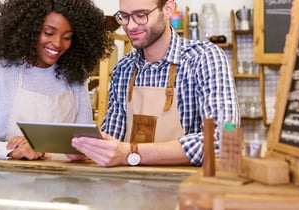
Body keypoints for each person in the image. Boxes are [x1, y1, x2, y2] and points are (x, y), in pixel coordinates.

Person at [71, 0, 239, 167]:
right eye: (124, 16)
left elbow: (224, 140)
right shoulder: (123, 69)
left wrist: (131, 153)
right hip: (130, 189)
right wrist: (87, 148)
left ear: (168, 9)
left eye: (141, 15)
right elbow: (113, 140)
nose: (131, 26)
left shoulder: (204, 59)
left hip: (185, 189)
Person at [0, 0, 112, 160]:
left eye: (67, 37)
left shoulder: (76, 77)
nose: (57, 43)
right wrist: (8, 150)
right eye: (48, 33)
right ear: (28, 30)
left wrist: (86, 149)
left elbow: (83, 146)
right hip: (7, 180)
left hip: (62, 181)